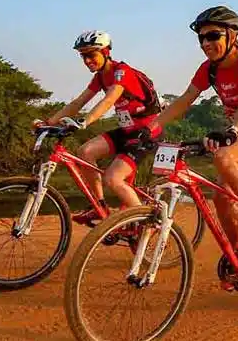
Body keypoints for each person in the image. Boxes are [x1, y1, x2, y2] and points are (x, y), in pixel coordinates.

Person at [141, 5, 238, 259]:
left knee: (224, 157)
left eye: (213, 35)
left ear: (232, 35)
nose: (205, 43)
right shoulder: (209, 69)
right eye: (201, 37)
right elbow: (185, 100)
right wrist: (151, 128)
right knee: (222, 197)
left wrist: (233, 130)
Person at [39, 30, 163, 225]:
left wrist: (85, 121)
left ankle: (148, 224)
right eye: (83, 56)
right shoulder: (100, 77)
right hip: (126, 130)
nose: (87, 60)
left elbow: (109, 99)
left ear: (105, 52)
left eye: (91, 54)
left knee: (113, 179)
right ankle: (99, 206)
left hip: (146, 131)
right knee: (85, 151)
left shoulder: (122, 72)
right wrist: (49, 122)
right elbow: (78, 102)